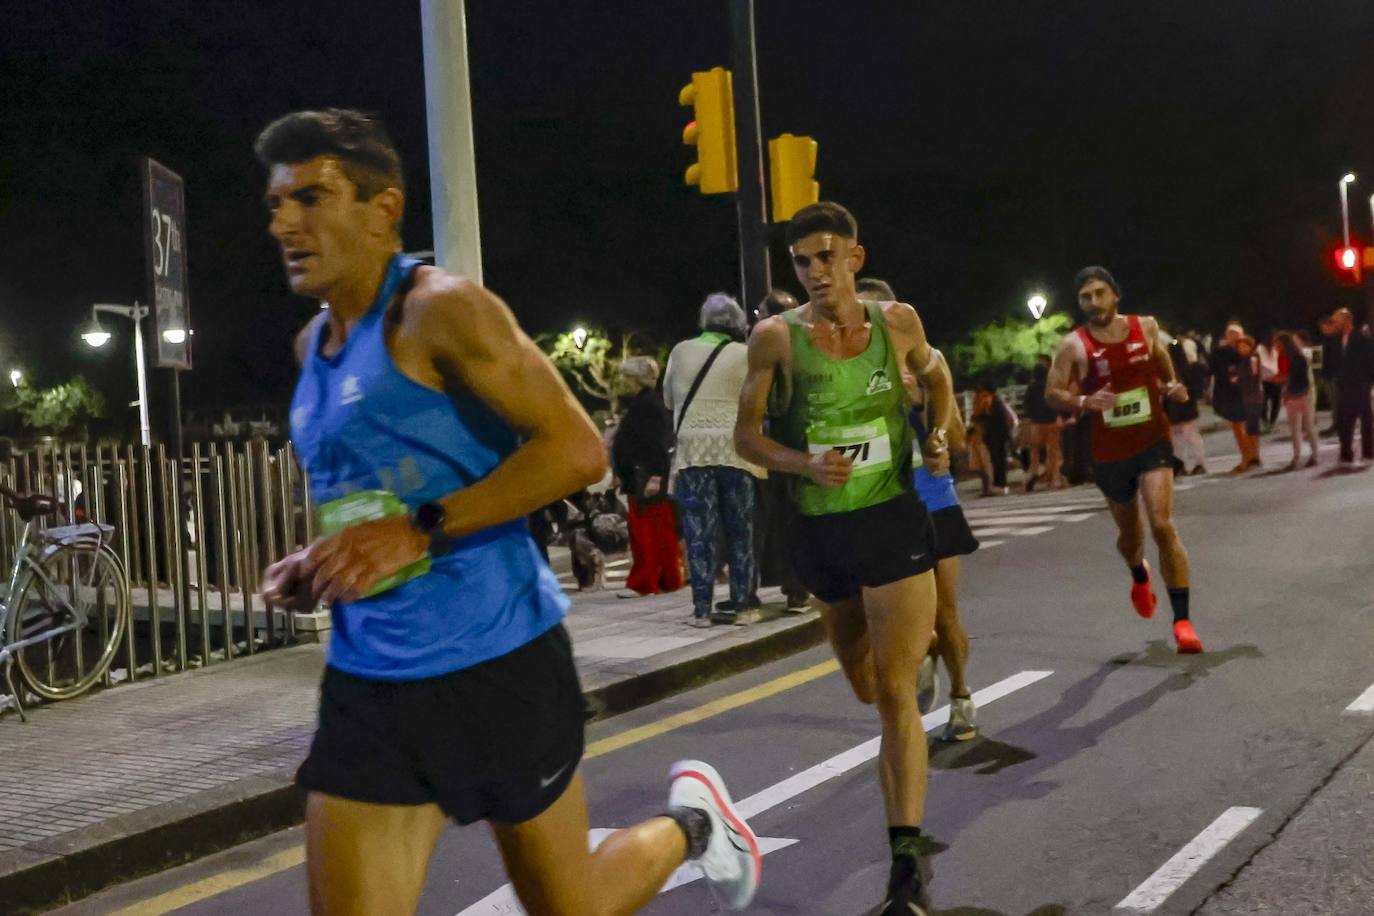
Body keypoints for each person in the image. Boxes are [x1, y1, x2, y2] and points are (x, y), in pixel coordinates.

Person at [254, 109, 759, 916]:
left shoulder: (440, 310)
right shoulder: (310, 345)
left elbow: (574, 450)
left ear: (384, 210)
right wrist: (321, 560)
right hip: (372, 679)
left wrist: (417, 529)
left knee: (572, 905)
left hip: (497, 663)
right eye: (277, 202)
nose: (283, 221)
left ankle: (695, 825)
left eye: (311, 197)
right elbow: (375, 491)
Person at [735, 203, 961, 915]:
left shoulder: (898, 324)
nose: (814, 272)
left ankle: (906, 870)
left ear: (855, 259)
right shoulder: (774, 340)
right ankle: (909, 663)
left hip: (893, 520)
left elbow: (940, 378)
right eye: (802, 261)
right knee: (866, 686)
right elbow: (745, 439)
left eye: (826, 257)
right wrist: (802, 461)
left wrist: (940, 436)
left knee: (894, 699)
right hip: (821, 536)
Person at [1046, 266, 1204, 655]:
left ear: (1116, 294)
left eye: (1100, 293)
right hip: (1110, 452)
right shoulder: (1074, 345)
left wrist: (1170, 386)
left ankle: (1183, 622)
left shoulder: (1145, 327)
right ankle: (1138, 573)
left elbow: (1163, 363)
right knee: (1131, 539)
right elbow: (1053, 392)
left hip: (1152, 440)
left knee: (1163, 525)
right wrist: (1083, 401)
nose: (1094, 303)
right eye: (1086, 297)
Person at [858, 276, 982, 742]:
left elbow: (958, 437)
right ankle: (923, 646)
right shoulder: (848, 369)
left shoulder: (930, 363)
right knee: (886, 613)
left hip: (932, 498)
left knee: (946, 611)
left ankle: (962, 696)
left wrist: (928, 413)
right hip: (878, 504)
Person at [663, 294, 763, 625]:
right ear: (737, 324)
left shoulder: (680, 351)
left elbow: (668, 398)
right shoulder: (745, 354)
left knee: (699, 531)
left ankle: (702, 609)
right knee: (740, 528)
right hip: (736, 447)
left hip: (694, 450)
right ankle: (744, 605)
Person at [750, 289, 811, 611]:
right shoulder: (811, 341)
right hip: (812, 438)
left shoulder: (769, 345)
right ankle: (802, 583)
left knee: (787, 517)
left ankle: (796, 585)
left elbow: (769, 403)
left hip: (783, 440)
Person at [610, 356, 685, 598]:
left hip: (643, 475)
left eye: (626, 377)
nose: (622, 382)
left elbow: (655, 444)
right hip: (644, 474)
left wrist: (654, 476)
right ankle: (668, 579)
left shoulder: (646, 407)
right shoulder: (649, 403)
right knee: (660, 530)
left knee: (645, 532)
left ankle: (644, 582)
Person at [1325, 307, 1374, 464]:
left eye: (1336, 319)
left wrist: (1368, 382)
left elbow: (1369, 360)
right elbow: (1332, 361)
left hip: (1360, 384)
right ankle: (1346, 452)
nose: (1334, 322)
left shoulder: (1361, 337)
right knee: (1344, 420)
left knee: (1366, 419)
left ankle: (1368, 452)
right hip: (1343, 386)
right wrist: (1332, 376)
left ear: (1346, 320)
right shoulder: (1334, 339)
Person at [1276, 332, 1319, 470]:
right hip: (1292, 396)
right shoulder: (1282, 358)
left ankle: (1314, 455)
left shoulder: (1300, 358)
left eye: (1278, 343)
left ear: (1285, 344)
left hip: (1302, 395)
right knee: (1295, 429)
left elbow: (1299, 379)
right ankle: (1296, 457)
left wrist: (1287, 389)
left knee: (1307, 427)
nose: (1276, 346)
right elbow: (1284, 377)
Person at [1023, 355, 1067, 490]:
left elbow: (1026, 406)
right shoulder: (1050, 387)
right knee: (1053, 453)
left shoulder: (1031, 388)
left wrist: (1030, 418)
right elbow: (1057, 403)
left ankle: (1033, 473)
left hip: (1036, 425)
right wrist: (1060, 416)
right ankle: (1054, 480)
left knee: (1035, 453)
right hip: (1052, 423)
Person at [1166, 332, 1207, 475]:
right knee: (1186, 434)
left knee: (1180, 435)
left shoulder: (1172, 365)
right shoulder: (1186, 365)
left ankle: (1186, 463)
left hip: (1178, 403)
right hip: (1183, 402)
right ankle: (1195, 462)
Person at [1232, 334, 1265, 473]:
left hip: (1253, 397)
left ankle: (1253, 457)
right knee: (1250, 429)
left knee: (1252, 429)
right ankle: (1253, 457)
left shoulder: (1252, 359)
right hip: (1246, 397)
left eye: (1245, 346)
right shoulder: (1242, 360)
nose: (1242, 349)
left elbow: (1253, 377)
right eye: (1239, 347)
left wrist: (1237, 378)